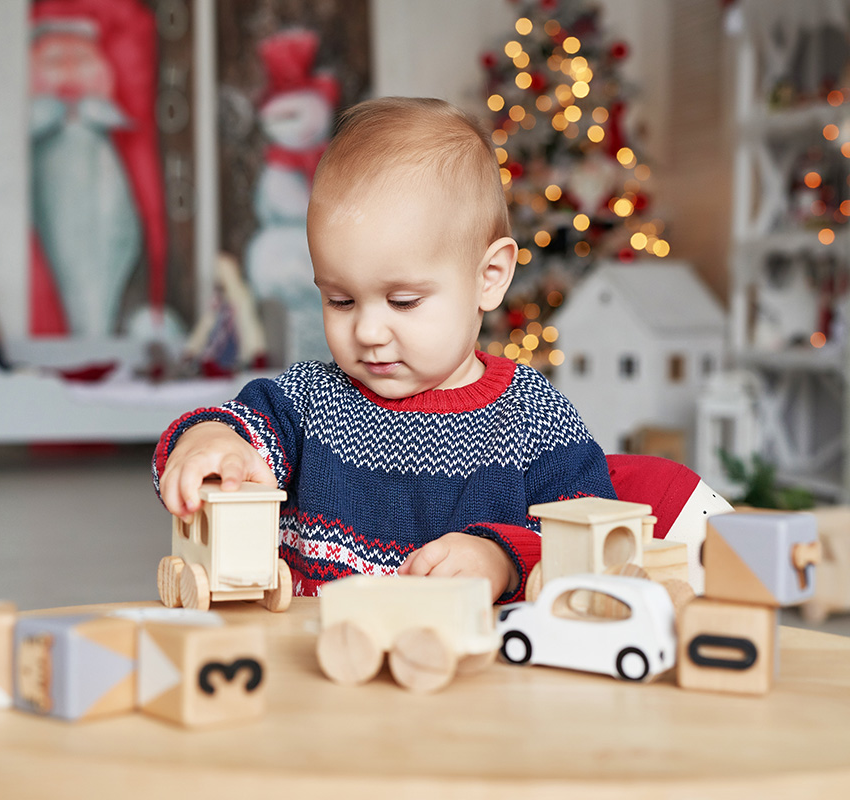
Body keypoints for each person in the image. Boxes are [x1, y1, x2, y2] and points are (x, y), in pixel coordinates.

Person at [154, 97, 616, 603]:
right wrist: (209, 441)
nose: (369, 331)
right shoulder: (309, 402)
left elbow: (593, 540)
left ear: (489, 278)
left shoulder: (535, 418)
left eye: (403, 300)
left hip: (470, 670)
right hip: (315, 664)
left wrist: (504, 560)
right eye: (341, 300)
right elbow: (237, 430)